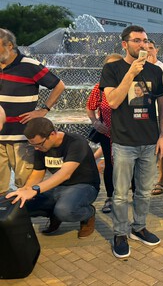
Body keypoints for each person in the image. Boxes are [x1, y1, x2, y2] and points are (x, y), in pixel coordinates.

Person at [100, 25, 163, 258]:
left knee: (144, 191)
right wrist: (131, 73)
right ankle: (120, 233)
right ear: (125, 44)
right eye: (137, 41)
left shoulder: (155, 71)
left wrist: (162, 136)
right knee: (120, 193)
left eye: (146, 41)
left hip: (149, 141)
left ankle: (138, 227)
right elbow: (114, 102)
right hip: (124, 142)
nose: (143, 45)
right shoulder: (112, 69)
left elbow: (162, 105)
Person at [6, 117, 99, 239]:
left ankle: (88, 214)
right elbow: (37, 174)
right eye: (32, 144)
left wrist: (35, 190)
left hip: (84, 186)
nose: (36, 148)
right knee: (21, 205)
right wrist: (24, 190)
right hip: (58, 188)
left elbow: (65, 174)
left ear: (52, 134)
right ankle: (55, 215)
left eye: (38, 144)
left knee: (64, 210)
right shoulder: (41, 146)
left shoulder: (76, 142)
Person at [0, 28, 65, 194]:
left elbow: (59, 85)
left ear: (9, 46)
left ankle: (25, 219)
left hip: (22, 137)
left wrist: (44, 109)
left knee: (25, 185)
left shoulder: (30, 65)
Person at [86, 53, 123, 213]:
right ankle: (110, 197)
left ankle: (134, 197)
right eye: (110, 67)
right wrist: (96, 122)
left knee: (132, 165)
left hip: (128, 134)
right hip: (107, 134)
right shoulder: (99, 87)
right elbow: (90, 107)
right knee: (109, 164)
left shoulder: (130, 85)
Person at [145, 39, 163, 196]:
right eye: (145, 48)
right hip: (143, 114)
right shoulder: (137, 66)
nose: (148, 51)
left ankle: (161, 180)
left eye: (151, 48)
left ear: (157, 50)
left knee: (161, 146)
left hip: (158, 113)